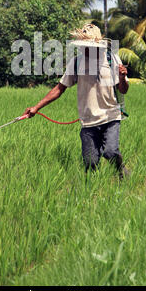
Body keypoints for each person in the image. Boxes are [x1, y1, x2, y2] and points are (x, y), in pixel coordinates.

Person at [23, 23, 130, 180]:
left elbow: (123, 90)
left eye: (86, 46)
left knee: (111, 152)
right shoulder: (76, 62)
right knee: (90, 163)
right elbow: (59, 88)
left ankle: (120, 170)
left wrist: (122, 78)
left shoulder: (111, 59)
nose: (83, 49)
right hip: (88, 121)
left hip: (111, 117)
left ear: (96, 45)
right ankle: (92, 193)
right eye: (81, 46)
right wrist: (36, 107)